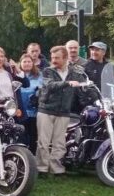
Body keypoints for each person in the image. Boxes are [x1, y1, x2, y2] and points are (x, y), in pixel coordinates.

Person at [36, 46, 87, 175]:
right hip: (46, 110)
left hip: (64, 111)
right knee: (43, 142)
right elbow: (49, 85)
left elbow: (83, 84)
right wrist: (67, 83)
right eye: (52, 57)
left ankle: (57, 169)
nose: (53, 60)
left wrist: (88, 87)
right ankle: (42, 168)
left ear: (65, 58)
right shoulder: (47, 71)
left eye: (57, 58)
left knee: (60, 142)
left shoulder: (74, 72)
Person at [17, 53, 42, 154]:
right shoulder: (16, 75)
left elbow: (43, 88)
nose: (27, 64)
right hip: (20, 111)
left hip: (33, 111)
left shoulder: (39, 75)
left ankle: (33, 156)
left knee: (33, 135)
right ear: (20, 63)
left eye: (29, 62)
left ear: (33, 63)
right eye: (24, 62)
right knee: (21, 134)